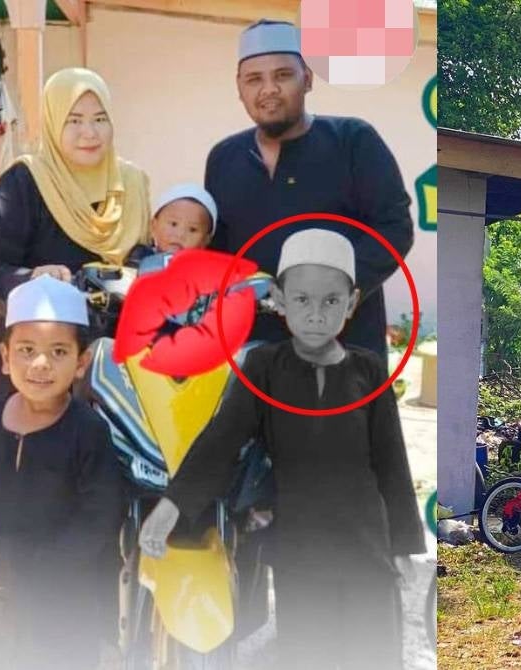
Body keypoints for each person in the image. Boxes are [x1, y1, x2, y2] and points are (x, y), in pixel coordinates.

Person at [138, 228, 426, 670]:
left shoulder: (368, 372)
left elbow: (391, 462)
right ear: (278, 298)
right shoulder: (264, 367)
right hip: (300, 546)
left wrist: (404, 541)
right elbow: (221, 441)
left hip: (366, 541)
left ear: (351, 304)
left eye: (331, 301)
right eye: (302, 299)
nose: (316, 314)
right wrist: (172, 506)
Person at [0, 275, 126, 670]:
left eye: (58, 351)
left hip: (62, 593)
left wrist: (45, 565)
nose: (40, 364)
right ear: (6, 358)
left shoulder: (87, 431)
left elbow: (101, 513)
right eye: (27, 350)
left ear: (80, 363)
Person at [205, 20, 413, 357]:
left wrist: (331, 293)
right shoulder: (223, 158)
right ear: (239, 87)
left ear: (308, 79)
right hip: (251, 351)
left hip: (344, 351)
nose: (269, 89)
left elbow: (393, 228)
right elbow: (217, 251)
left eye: (283, 75)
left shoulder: (353, 141)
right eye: (254, 79)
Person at [0, 67, 150, 405]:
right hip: (37, 370)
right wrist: (30, 280)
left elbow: (144, 255)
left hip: (114, 371)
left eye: (100, 119)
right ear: (53, 124)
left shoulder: (132, 183)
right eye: (74, 121)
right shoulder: (25, 182)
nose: (89, 133)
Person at [150, 182, 218, 254]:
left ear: (206, 240)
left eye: (192, 229)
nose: (180, 235)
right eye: (174, 224)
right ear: (154, 226)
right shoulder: (141, 260)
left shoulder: (206, 265)